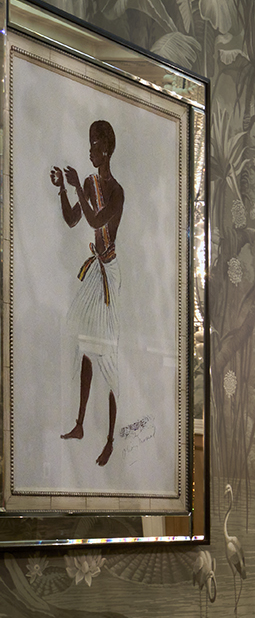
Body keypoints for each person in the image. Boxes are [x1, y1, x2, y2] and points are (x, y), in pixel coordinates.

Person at [51, 119, 125, 468]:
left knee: (106, 355)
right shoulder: (90, 183)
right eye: (90, 144)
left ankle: (110, 439)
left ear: (106, 148)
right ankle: (81, 425)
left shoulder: (115, 191)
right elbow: (71, 219)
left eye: (94, 144)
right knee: (82, 345)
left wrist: (77, 185)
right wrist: (63, 190)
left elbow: (97, 222)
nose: (90, 150)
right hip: (94, 271)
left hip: (109, 273)